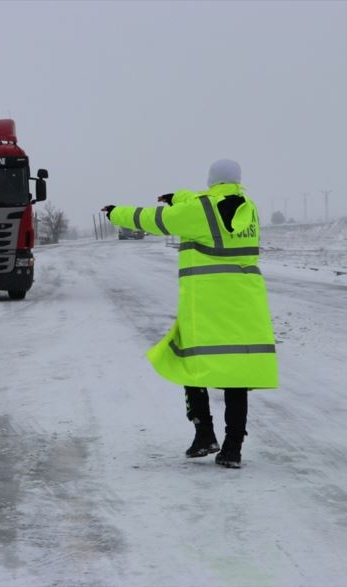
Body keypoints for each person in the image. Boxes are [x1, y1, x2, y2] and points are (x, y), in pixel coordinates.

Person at [101, 159, 278, 468]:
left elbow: (155, 219)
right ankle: (232, 449)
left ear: (210, 181)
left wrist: (117, 212)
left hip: (207, 305)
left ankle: (204, 434)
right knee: (237, 377)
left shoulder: (200, 211)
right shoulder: (248, 208)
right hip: (245, 303)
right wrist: (178, 196)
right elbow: (195, 202)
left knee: (188, 365)